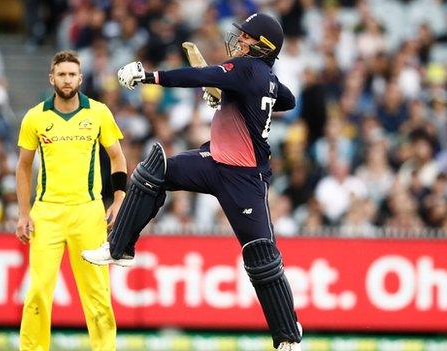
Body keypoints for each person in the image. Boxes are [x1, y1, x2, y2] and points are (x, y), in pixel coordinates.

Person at [82, 13, 302, 351]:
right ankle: (119, 248)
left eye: (246, 38)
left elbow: (198, 75)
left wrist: (149, 75)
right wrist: (231, 97)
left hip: (244, 178)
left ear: (262, 47)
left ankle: (288, 335)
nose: (239, 40)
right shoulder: (265, 77)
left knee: (262, 259)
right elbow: (286, 99)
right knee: (154, 171)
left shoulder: (246, 70)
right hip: (215, 161)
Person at [15, 50, 127, 351]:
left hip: (88, 213)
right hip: (47, 214)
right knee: (38, 291)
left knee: (98, 294)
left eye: (72, 74)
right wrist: (24, 213)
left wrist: (118, 200)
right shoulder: (35, 116)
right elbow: (23, 166)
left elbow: (117, 157)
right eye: (61, 74)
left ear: (80, 78)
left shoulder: (98, 113)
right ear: (52, 78)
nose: (67, 79)